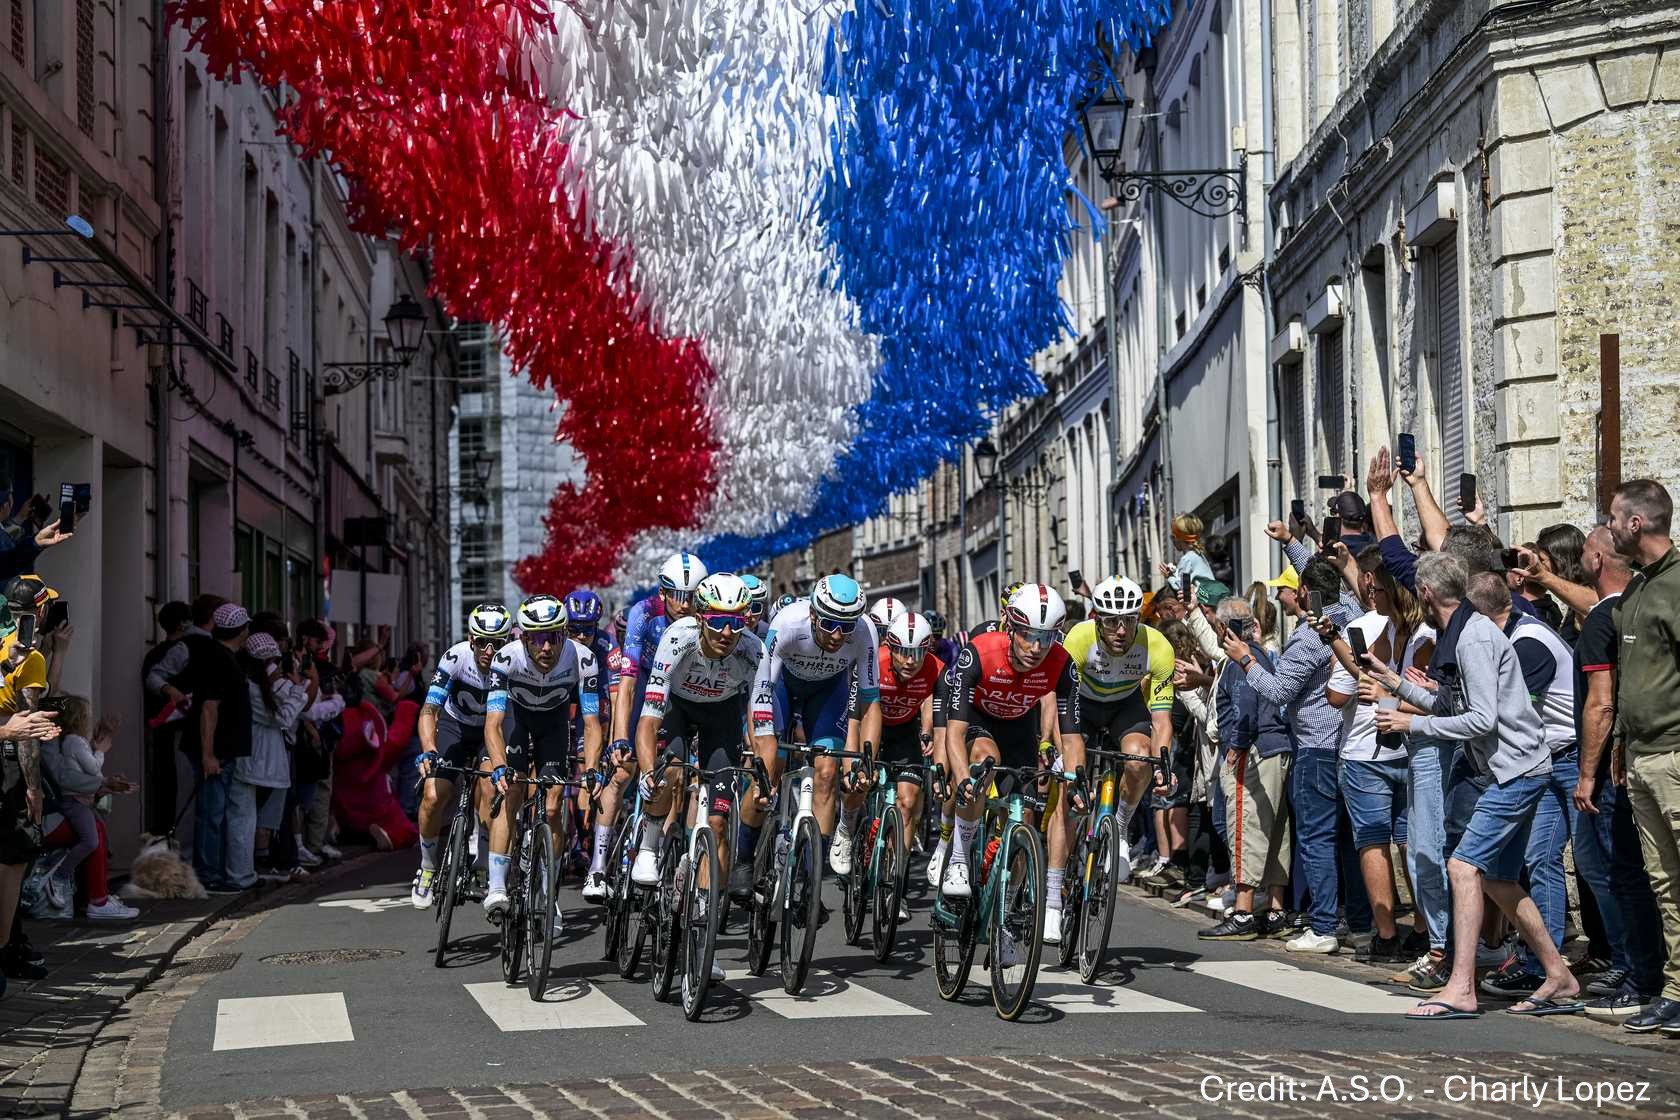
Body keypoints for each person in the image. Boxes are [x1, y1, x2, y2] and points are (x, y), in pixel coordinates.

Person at [1364, 551, 1575, 1018]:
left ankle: (1461, 987)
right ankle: (1559, 975)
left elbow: (1480, 719)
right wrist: (1397, 685)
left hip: (1516, 770)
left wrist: (1408, 725)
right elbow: (1448, 705)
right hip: (1511, 769)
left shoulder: (1473, 637)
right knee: (1497, 878)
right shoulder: (1462, 631)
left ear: (1425, 593)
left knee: (1463, 867)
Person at [631, 575, 762, 982]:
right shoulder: (677, 637)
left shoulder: (754, 652)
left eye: (737, 623)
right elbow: (649, 718)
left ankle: (704, 937)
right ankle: (651, 842)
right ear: (702, 617)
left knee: (718, 825)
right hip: (678, 709)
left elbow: (760, 722)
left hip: (722, 717)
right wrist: (648, 771)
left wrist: (762, 768)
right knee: (668, 771)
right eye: (719, 621)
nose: (728, 632)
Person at [939, 584, 1087, 939]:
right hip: (979, 720)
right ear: (1010, 626)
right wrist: (962, 781)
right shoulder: (978, 653)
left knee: (1023, 826)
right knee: (982, 763)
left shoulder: (1062, 664)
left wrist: (1077, 782)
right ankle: (959, 857)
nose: (1036, 648)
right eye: (1027, 636)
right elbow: (954, 733)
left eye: (1046, 637)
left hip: (1020, 728)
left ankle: (1003, 915)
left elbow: (1072, 738)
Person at [1564, 527, 1656, 1020]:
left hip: (1605, 769)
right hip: (1626, 760)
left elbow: (1600, 703)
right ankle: (1635, 966)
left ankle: (1634, 970)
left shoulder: (1603, 620)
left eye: (1584, 551)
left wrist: (1586, 774)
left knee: (1620, 874)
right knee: (1622, 873)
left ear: (1597, 559)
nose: (1580, 557)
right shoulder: (1630, 606)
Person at [1320, 549, 1426, 963]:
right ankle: (1420, 927)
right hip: (1404, 748)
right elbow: (1366, 669)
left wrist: (1380, 692)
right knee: (1409, 843)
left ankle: (1386, 935)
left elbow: (1338, 694)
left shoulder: (1386, 630)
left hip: (1373, 750)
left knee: (1374, 842)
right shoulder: (1406, 629)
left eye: (1376, 585)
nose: (1370, 590)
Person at [1605, 479, 1680, 1034]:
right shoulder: (1635, 590)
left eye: (1612, 517)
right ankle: (1677, 988)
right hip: (1641, 756)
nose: (1607, 527)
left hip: (1675, 754)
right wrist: (1619, 746)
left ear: (1636, 523)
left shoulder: (1675, 586)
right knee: (1663, 880)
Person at [1240, 555, 1345, 946]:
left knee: (1316, 838)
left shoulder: (1308, 637)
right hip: (1343, 743)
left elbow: (1280, 691)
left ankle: (1323, 927)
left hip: (1315, 747)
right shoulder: (1347, 612)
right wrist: (1291, 543)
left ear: (1303, 591)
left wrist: (1246, 661)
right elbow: (1326, 577)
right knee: (1345, 841)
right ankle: (1355, 921)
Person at [482, 595, 602, 927]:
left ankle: (549, 897)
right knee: (513, 791)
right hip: (517, 723)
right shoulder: (506, 658)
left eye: (553, 636)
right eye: (536, 637)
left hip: (554, 725)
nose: (545, 647)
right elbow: (492, 723)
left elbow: (591, 723)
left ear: (564, 634)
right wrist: (499, 765)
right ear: (523, 637)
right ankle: (496, 887)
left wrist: (591, 768)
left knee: (552, 808)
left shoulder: (584, 659)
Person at [746, 574, 881, 870]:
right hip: (782, 688)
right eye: (829, 624)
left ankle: (812, 874)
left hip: (827, 692)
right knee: (770, 767)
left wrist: (866, 758)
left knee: (827, 771)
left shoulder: (865, 631)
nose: (836, 635)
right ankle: (744, 859)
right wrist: (757, 739)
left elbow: (870, 701)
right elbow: (761, 689)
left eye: (845, 627)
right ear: (812, 614)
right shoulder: (788, 622)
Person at [1060, 576, 1175, 897]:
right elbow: (1055, 702)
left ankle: (1121, 824)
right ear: (1096, 619)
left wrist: (1163, 765)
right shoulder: (1079, 639)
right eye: (1111, 622)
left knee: (1141, 759)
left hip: (1124, 706)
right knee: (1071, 778)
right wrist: (1053, 745)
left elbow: (1162, 720)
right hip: (1081, 705)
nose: (1121, 630)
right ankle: (1058, 877)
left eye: (1129, 620)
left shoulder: (1157, 646)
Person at [833, 611, 942, 921]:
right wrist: (852, 764)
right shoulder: (872, 664)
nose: (910, 661)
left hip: (903, 733)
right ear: (891, 648)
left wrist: (931, 742)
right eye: (904, 653)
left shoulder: (936, 670)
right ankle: (849, 822)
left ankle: (897, 884)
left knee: (907, 803)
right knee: (859, 782)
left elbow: (939, 718)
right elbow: (854, 717)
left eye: (918, 653)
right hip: (868, 726)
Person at [608, 554, 708, 869]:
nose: (685, 604)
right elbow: (626, 685)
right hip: (646, 682)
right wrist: (620, 738)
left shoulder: (705, 617)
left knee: (677, 772)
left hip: (681, 691)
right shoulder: (643, 614)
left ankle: (670, 848)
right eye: (678, 596)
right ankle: (598, 866)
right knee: (626, 768)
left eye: (692, 597)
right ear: (662, 593)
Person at [410, 603, 513, 908]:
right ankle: (427, 867)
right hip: (455, 728)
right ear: (471, 638)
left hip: (490, 732)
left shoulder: (511, 663)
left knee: (490, 789)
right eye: (482, 641)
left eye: (497, 642)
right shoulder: (455, 658)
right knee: (432, 795)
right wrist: (429, 747)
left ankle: (481, 862)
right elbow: (430, 709)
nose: (489, 649)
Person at [1200, 597, 1292, 940]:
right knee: (1276, 831)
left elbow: (1246, 706)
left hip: (1253, 752)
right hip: (1277, 749)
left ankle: (1242, 910)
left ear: (1224, 628)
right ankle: (1276, 908)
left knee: (1246, 828)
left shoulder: (1240, 661)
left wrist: (1236, 746)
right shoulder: (1261, 654)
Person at [36, 697, 138, 919]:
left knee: (98, 832)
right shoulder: (63, 741)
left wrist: (107, 783)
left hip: (68, 802)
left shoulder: (66, 741)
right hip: (51, 810)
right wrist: (100, 754)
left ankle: (96, 896)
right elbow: (68, 777)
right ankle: (90, 895)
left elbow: (81, 775)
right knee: (93, 837)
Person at [181, 603, 253, 892]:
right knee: (212, 814)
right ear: (242, 630)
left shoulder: (222, 656)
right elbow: (209, 709)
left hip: (223, 749)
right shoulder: (219, 659)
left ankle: (213, 871)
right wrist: (208, 753)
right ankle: (210, 874)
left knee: (216, 813)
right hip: (217, 751)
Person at [561, 590, 618, 901]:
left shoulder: (607, 648)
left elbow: (614, 695)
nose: (581, 636)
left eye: (587, 629)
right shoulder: (555, 643)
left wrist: (611, 737)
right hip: (561, 698)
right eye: (574, 629)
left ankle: (584, 837)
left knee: (586, 760)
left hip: (592, 703)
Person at [1162, 514, 1216, 595]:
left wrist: (1170, 577)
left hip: (1201, 604)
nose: (1172, 540)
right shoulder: (1198, 554)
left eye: (1173, 536)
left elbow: (1182, 587)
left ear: (1179, 538)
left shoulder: (1187, 559)